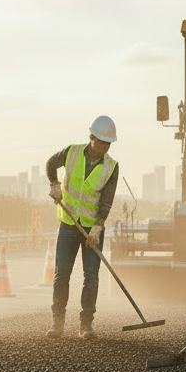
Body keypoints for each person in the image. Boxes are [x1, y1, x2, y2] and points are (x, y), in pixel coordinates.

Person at [44, 116, 120, 340]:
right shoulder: (72, 152)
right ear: (91, 137)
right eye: (102, 142)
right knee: (62, 274)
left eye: (108, 143)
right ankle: (57, 322)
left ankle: (86, 325)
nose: (105, 147)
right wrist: (54, 184)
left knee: (91, 277)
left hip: (92, 229)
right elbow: (50, 163)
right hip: (68, 225)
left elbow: (106, 201)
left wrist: (98, 227)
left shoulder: (111, 167)